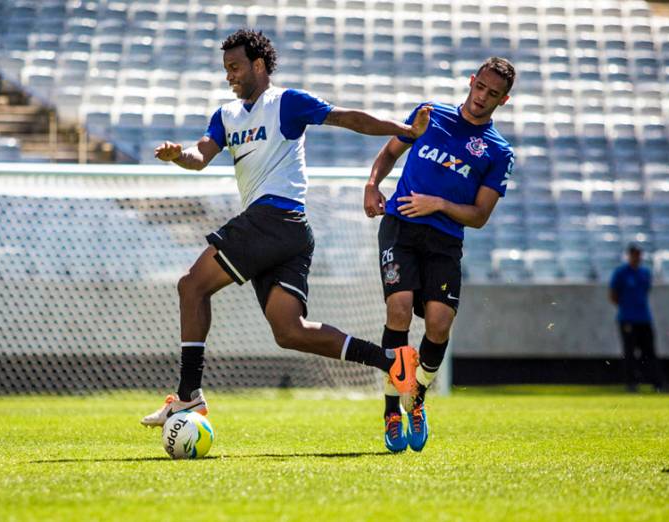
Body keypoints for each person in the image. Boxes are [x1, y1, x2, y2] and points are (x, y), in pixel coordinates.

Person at [141, 29, 433, 428]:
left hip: (275, 219)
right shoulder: (225, 116)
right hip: (288, 233)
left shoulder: (287, 103)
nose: (230, 75)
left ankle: (189, 397)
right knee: (290, 332)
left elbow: (348, 118)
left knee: (192, 286)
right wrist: (179, 156)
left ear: (258, 65)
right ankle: (390, 360)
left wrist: (405, 129)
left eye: (235, 67)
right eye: (226, 69)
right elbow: (200, 156)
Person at [362, 57, 516, 452]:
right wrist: (372, 184)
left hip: (445, 240)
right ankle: (392, 409)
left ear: (504, 99)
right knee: (398, 309)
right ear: (471, 81)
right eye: (479, 86)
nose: (482, 97)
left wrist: (438, 203)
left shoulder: (498, 152)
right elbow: (390, 152)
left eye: (492, 94)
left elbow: (480, 216)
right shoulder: (429, 115)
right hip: (401, 226)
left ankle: (417, 397)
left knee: (439, 324)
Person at [609, 244, 669, 393]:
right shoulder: (621, 273)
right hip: (627, 318)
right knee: (629, 352)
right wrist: (626, 307)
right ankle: (631, 383)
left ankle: (656, 382)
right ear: (629, 255)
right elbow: (613, 295)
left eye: (639, 255)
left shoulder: (645, 273)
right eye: (635, 255)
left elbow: (646, 291)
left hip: (644, 318)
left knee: (650, 352)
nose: (637, 258)